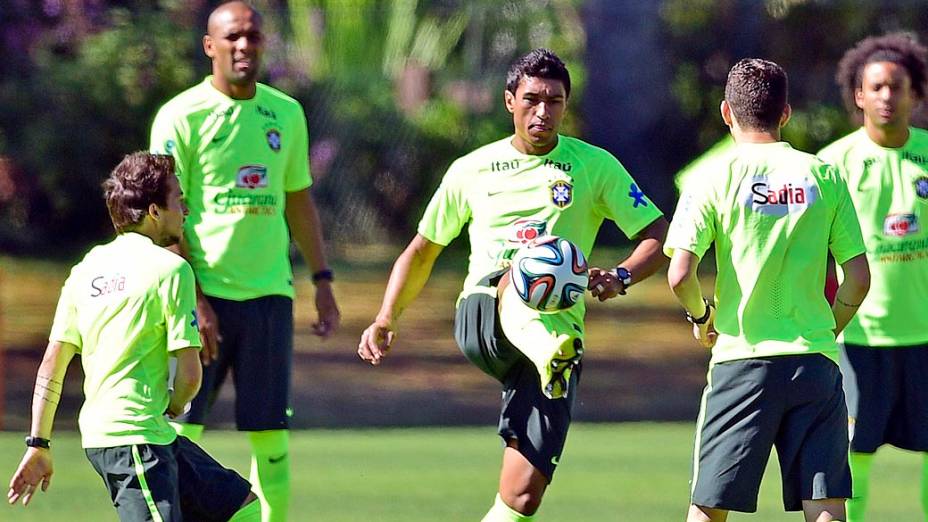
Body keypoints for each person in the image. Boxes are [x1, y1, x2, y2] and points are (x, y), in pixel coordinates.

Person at [358, 48, 668, 521]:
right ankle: (548, 350)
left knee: (522, 496)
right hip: (485, 313)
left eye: (555, 101)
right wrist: (385, 316)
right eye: (532, 99)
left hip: (560, 341)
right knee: (525, 270)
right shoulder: (471, 169)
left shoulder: (594, 165)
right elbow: (421, 251)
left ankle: (551, 355)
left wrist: (621, 275)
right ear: (509, 101)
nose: (543, 111)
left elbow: (655, 235)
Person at [149, 3, 340, 520]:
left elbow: (298, 198)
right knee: (178, 430)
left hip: (269, 296)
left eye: (253, 36)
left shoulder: (287, 112)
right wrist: (195, 298)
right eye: (232, 36)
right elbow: (166, 218)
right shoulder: (179, 116)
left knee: (271, 440)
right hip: (200, 296)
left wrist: (322, 280)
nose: (243, 46)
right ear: (210, 45)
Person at [665, 58, 871, 522]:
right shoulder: (825, 174)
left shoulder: (710, 177)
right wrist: (827, 327)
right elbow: (858, 276)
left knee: (709, 507)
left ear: (726, 113)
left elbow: (679, 275)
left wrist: (703, 318)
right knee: (825, 507)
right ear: (785, 113)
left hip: (742, 362)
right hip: (815, 362)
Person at [6, 152, 261, 521]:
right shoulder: (172, 270)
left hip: (131, 436)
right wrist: (175, 405)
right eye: (179, 201)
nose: (186, 211)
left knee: (239, 507)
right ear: (155, 211)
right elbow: (190, 377)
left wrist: (38, 444)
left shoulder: (85, 270)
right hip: (137, 441)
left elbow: (51, 366)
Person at [817, 32, 928, 522]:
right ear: (858, 95)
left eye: (897, 86)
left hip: (926, 337)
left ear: (916, 94)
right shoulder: (832, 165)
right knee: (854, 454)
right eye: (876, 87)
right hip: (858, 337)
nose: (887, 96)